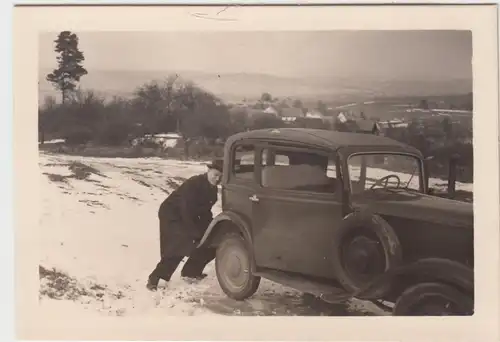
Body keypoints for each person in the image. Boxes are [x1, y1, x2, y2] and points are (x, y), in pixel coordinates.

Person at [147, 158, 223, 291]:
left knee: (213, 240)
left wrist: (211, 228)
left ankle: (191, 272)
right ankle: (156, 279)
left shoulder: (212, 189)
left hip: (190, 216)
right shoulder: (194, 183)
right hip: (172, 214)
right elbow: (185, 209)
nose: (217, 179)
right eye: (216, 174)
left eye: (221, 177)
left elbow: (205, 211)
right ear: (209, 170)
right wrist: (193, 232)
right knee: (180, 244)